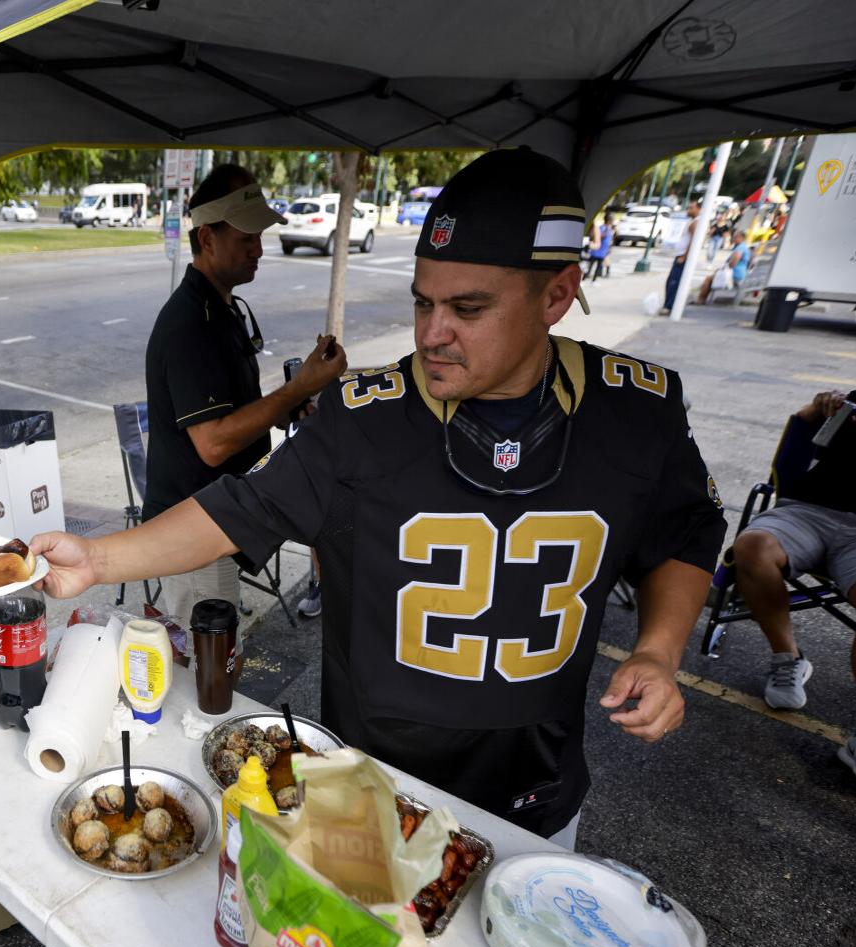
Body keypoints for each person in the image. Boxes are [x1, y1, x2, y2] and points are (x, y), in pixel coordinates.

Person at [35, 148, 726, 845]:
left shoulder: (636, 411)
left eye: (468, 307)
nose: (432, 333)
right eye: (422, 303)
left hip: (535, 796)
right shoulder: (363, 419)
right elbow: (237, 508)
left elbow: (685, 531)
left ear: (555, 295)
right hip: (374, 791)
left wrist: (660, 649)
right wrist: (96, 557)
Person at [142, 163, 347, 638]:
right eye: (245, 239)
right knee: (206, 666)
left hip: (220, 519)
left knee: (215, 657)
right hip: (192, 530)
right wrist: (296, 389)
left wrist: (287, 404)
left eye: (260, 237)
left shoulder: (224, 308)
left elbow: (235, 412)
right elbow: (212, 444)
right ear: (207, 238)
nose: (259, 249)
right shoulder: (189, 323)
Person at [731, 379, 856, 790]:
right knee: (752, 547)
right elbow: (812, 426)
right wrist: (819, 406)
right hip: (809, 510)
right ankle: (788, 658)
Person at [662, 198, 705, 313]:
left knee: (674, 282)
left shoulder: (696, 222)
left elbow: (693, 241)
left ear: (699, 209)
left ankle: (669, 306)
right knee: (671, 281)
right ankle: (669, 305)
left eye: (691, 208)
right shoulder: (694, 221)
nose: (688, 210)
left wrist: (684, 257)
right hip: (681, 255)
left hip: (682, 257)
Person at [694, 235, 753, 304]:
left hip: (734, 275)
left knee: (708, 279)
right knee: (712, 277)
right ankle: (701, 296)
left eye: (735, 237)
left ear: (741, 238)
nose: (733, 238)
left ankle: (700, 300)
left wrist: (724, 269)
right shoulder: (745, 247)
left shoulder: (740, 248)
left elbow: (734, 261)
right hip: (741, 274)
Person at [586, 214, 614, 282]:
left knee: (599, 266)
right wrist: (606, 231)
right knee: (589, 265)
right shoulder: (602, 228)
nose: (612, 221)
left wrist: (609, 249)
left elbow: (610, 240)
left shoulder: (610, 229)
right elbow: (598, 237)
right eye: (612, 219)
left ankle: (594, 280)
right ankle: (585, 277)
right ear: (608, 220)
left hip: (603, 251)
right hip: (596, 251)